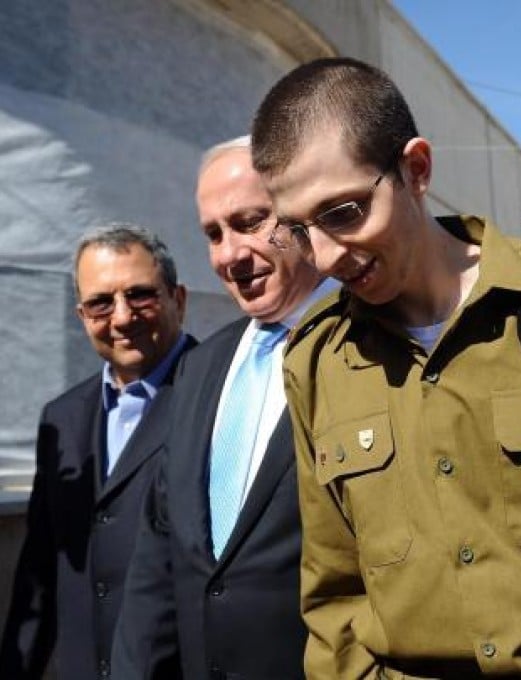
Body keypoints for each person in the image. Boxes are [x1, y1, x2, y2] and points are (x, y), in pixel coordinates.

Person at [249, 57, 521, 678]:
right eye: (299, 230)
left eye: (344, 212)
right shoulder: (317, 360)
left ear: (416, 169)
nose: (324, 257)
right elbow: (334, 590)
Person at [111, 137, 335, 679]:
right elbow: (159, 557)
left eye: (249, 222)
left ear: (301, 214)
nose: (229, 256)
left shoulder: (371, 346)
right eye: (213, 234)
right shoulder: (199, 367)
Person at [0, 224, 193, 679]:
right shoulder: (63, 418)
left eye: (140, 295)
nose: (122, 318)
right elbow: (42, 564)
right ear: (82, 315)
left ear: (178, 299)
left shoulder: (217, 395)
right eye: (101, 303)